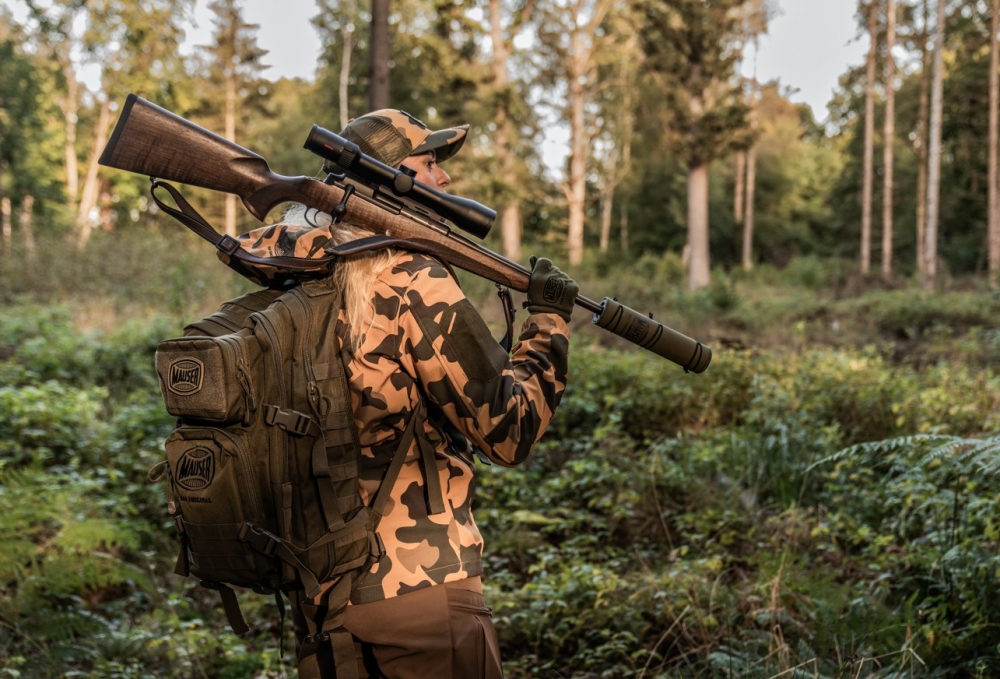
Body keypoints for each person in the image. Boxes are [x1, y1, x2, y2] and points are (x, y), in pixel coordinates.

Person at [238, 109, 578, 678]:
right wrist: (547, 323)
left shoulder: (295, 270)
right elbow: (508, 431)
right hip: (419, 592)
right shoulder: (410, 277)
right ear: (388, 179)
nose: (444, 178)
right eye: (428, 164)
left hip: (320, 592)